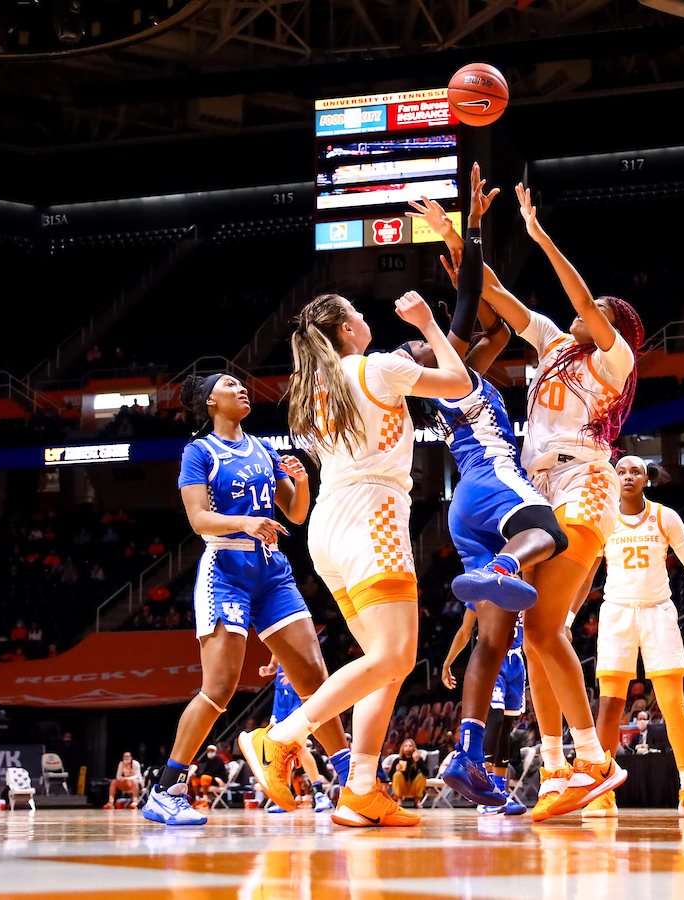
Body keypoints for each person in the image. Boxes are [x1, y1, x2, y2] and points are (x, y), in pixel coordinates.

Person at [411, 184, 641, 821]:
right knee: (538, 630)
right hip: (538, 486)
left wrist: (539, 237)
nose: (584, 313)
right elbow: (495, 294)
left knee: (542, 628)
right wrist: (458, 236)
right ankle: (567, 764)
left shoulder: (615, 359)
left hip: (584, 481)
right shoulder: (552, 344)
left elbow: (582, 302)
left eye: (599, 312)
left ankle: (593, 761)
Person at [240, 287, 472, 828]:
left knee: (384, 664)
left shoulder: (314, 388)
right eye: (358, 314)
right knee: (394, 656)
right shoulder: (378, 367)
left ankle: (361, 789)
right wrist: (428, 325)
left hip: (329, 524)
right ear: (347, 329)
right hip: (373, 516)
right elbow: (459, 383)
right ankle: (281, 737)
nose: (366, 318)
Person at [403, 166, 567, 811]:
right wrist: (466, 228)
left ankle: (468, 757)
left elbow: (490, 324)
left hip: (463, 507)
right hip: (496, 483)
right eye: (420, 346)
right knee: (547, 532)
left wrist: (460, 258)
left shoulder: (453, 377)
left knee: (492, 641)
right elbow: (472, 299)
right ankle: (506, 563)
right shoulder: (453, 373)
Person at [145, 372, 350, 827]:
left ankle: (354, 780)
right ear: (209, 401)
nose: (241, 389)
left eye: (241, 384)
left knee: (315, 676)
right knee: (219, 689)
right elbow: (199, 519)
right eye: (229, 385)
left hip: (271, 571)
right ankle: (166, 789)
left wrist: (302, 483)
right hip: (226, 570)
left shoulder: (264, 449)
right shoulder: (199, 452)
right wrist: (244, 522)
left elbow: (294, 513)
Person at [584, 455, 684, 818]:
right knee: (610, 704)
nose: (627, 476)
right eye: (621, 471)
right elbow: (586, 576)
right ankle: (603, 791)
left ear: (646, 478)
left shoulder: (666, 517)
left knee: (672, 703)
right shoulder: (604, 519)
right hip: (617, 612)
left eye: (635, 471)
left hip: (657, 611)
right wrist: (568, 618)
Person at [441, 608, 528, 817]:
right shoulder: (483, 591)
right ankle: (483, 791)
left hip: (516, 661)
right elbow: (465, 630)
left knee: (506, 729)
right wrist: (447, 663)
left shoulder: (526, 592)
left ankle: (500, 793)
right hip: (492, 656)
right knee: (495, 721)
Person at [260, 656, 333, 814]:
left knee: (299, 747)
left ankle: (320, 794)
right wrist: (268, 670)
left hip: (299, 696)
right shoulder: (277, 643)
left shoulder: (306, 645)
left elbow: (323, 675)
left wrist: (299, 678)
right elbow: (273, 665)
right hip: (281, 698)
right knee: (279, 748)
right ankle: (285, 796)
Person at [389, 739, 427, 808]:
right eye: (406, 746)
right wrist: (396, 770)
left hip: (413, 787)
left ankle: (417, 800)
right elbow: (390, 777)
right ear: (403, 748)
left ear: (413, 748)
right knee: (397, 774)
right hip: (402, 787)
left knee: (422, 776)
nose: (408, 748)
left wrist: (418, 761)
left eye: (410, 746)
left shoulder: (418, 759)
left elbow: (426, 773)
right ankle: (399, 799)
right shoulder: (398, 760)